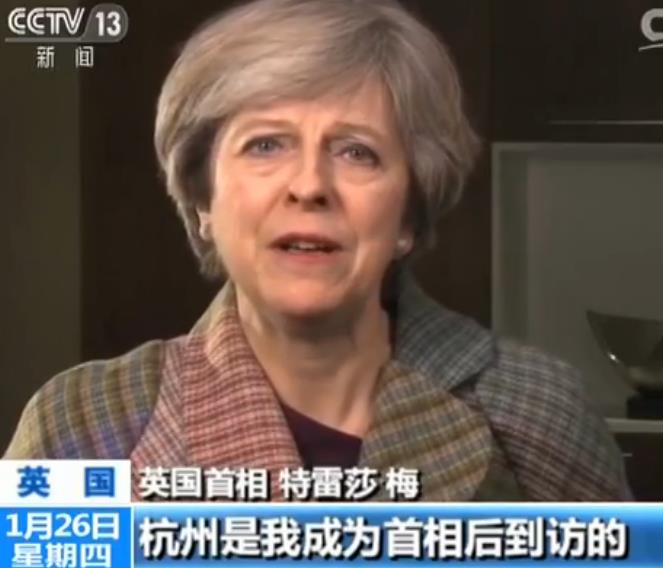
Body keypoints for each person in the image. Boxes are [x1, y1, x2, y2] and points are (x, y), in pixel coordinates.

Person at [4, 0, 630, 501]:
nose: (309, 186)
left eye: (357, 151)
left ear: (407, 216)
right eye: (265, 145)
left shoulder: (538, 410)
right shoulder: (82, 420)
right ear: (203, 202)